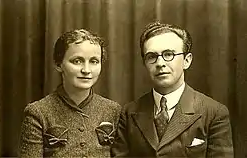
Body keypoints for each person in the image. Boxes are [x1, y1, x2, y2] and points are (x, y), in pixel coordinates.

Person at [111, 22, 233, 157]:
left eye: (168, 54)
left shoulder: (214, 113)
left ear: (187, 60)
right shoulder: (129, 113)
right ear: (144, 63)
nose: (160, 63)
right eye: (152, 56)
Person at [19, 29, 121, 157]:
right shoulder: (38, 113)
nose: (86, 70)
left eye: (94, 61)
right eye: (77, 61)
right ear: (58, 64)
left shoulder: (113, 110)